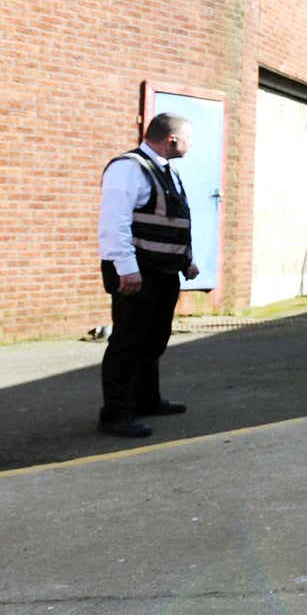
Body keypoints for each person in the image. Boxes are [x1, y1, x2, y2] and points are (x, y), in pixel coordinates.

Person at [96, 112, 199, 437]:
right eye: (189, 139)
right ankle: (115, 413)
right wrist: (127, 268)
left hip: (164, 271)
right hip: (137, 272)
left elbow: (174, 220)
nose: (190, 145)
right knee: (128, 342)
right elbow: (114, 223)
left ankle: (146, 399)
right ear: (172, 140)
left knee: (154, 340)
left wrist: (187, 260)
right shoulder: (128, 168)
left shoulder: (168, 172)